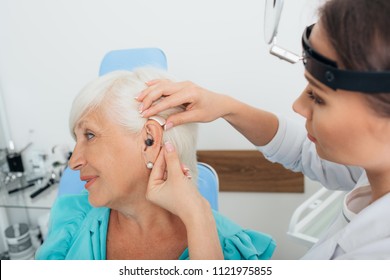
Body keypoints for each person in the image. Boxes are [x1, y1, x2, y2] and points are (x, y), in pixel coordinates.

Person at [136, 0, 390, 259]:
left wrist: (197, 215)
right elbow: (303, 149)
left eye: (318, 97)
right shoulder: (375, 166)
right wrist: (227, 107)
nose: (298, 106)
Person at [35, 68, 276, 260]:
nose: (74, 162)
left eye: (89, 135)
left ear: (149, 141)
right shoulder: (70, 220)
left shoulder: (231, 251)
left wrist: (198, 216)